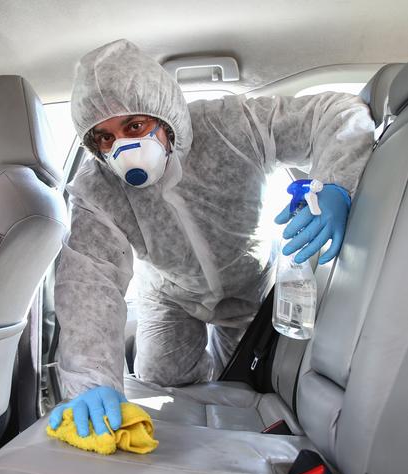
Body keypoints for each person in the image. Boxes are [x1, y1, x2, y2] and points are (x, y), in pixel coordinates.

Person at [49, 39, 374, 438]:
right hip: (170, 294)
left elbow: (335, 113)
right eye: (105, 137)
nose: (123, 148)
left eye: (134, 126)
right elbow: (89, 280)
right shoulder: (98, 188)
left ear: (165, 116)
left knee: (243, 382)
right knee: (161, 384)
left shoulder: (232, 125)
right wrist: (90, 381)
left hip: (250, 283)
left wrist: (336, 185)